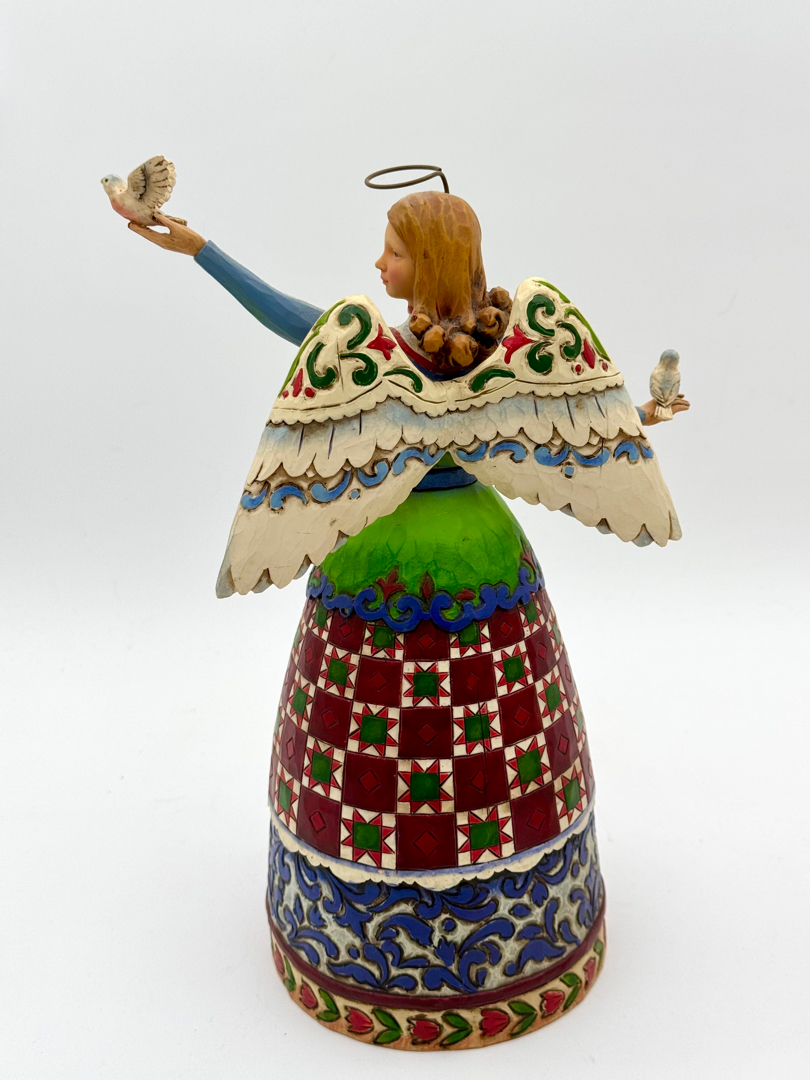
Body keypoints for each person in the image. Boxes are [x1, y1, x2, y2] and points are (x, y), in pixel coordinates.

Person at [128, 192, 689, 1049]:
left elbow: (580, 408)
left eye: (390, 251)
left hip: (417, 556)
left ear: (426, 262)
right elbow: (294, 320)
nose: (377, 266)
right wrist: (201, 248)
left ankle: (370, 950)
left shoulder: (474, 349)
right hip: (440, 551)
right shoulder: (388, 351)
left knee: (410, 735)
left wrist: (636, 420)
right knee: (467, 733)